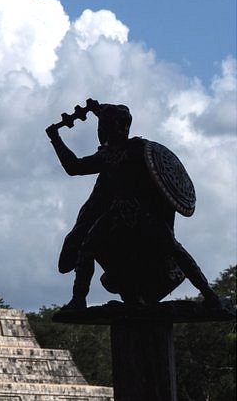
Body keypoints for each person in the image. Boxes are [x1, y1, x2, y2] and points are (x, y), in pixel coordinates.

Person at [45, 101, 220, 310]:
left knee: (171, 247)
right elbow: (75, 167)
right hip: (120, 212)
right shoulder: (119, 151)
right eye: (117, 125)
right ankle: (79, 299)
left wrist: (56, 137)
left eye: (123, 125)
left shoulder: (132, 150)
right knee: (88, 247)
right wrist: (61, 135)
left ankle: (209, 294)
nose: (122, 129)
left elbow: (75, 167)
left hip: (141, 212)